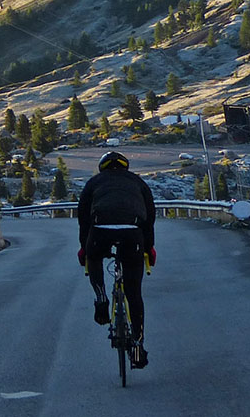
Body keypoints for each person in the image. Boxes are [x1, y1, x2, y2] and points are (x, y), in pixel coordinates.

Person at [77, 150, 156, 368]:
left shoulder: (94, 182)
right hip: (132, 232)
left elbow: (83, 218)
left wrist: (84, 248)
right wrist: (149, 247)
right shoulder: (138, 182)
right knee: (134, 294)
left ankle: (101, 297)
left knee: (94, 258)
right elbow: (149, 218)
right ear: (125, 166)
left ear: (102, 167)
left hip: (100, 230)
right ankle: (138, 345)